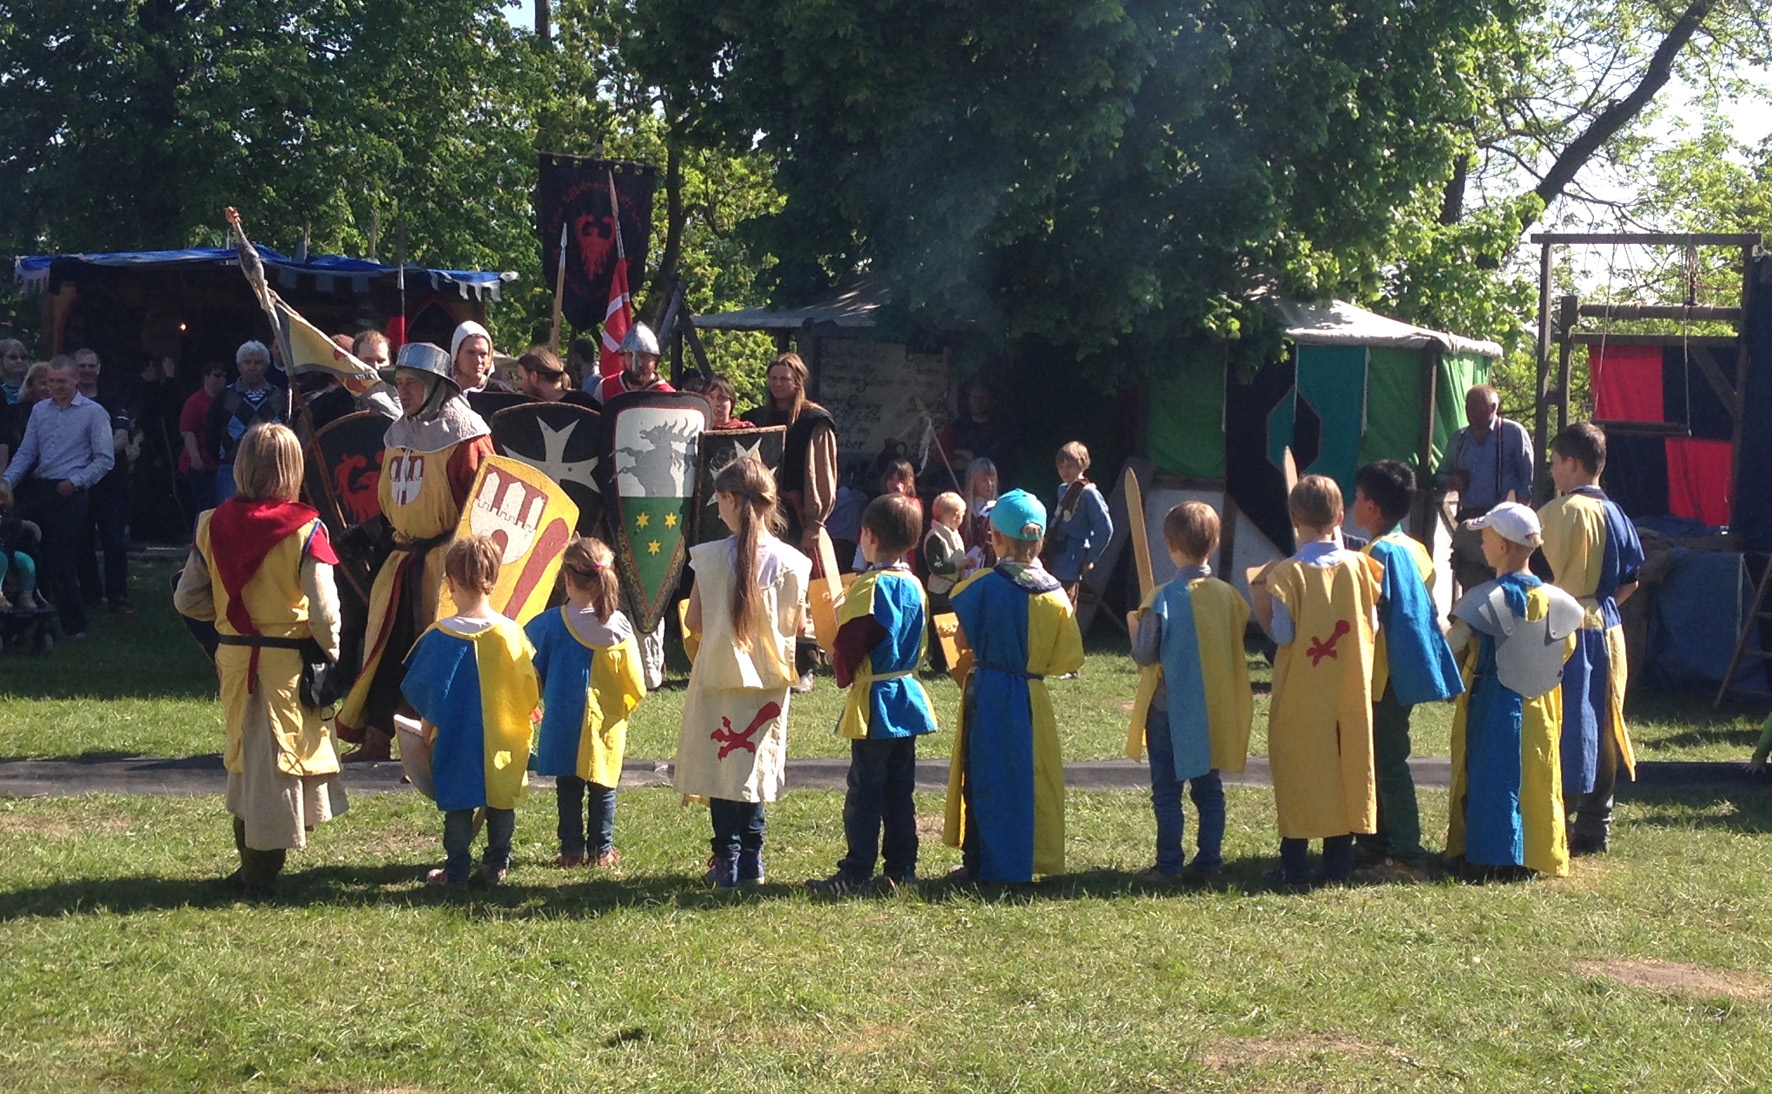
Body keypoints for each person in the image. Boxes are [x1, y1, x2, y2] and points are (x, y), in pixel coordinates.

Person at [172, 423, 348, 898]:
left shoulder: (211, 522)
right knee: (278, 768)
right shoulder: (307, 528)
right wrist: (331, 654)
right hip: (285, 664)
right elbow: (325, 609)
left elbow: (188, 599)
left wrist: (231, 624)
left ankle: (251, 867)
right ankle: (259, 876)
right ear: (293, 469)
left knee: (246, 763)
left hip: (235, 659)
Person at [335, 342, 494, 761]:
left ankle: (434, 743)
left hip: (446, 564)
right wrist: (372, 530)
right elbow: (397, 500)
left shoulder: (467, 436)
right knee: (385, 649)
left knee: (437, 656)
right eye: (399, 383)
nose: (402, 392)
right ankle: (376, 737)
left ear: (437, 386)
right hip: (401, 560)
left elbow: (484, 505)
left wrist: (467, 566)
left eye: (412, 384)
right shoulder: (399, 432)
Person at [674, 455, 811, 889]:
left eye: (718, 500)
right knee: (754, 766)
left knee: (722, 769)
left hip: (716, 674)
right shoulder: (794, 563)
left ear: (732, 499)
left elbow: (693, 621)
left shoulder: (710, 558)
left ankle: (727, 859)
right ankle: (753, 859)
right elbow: (798, 625)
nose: (716, 509)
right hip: (768, 681)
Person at [942, 489, 1084, 884]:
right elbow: (1067, 659)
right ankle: (1020, 858)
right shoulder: (1056, 596)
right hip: (1031, 697)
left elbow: (961, 635)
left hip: (987, 691)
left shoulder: (983, 585)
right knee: (1027, 776)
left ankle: (981, 862)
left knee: (983, 775)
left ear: (997, 538)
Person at [1250, 475, 1382, 888]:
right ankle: (1338, 862)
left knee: (1301, 771)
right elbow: (1372, 625)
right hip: (1348, 691)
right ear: (1341, 517)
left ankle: (1294, 865)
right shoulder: (1361, 567)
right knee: (1344, 770)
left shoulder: (1288, 575)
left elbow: (1286, 634)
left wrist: (1265, 612)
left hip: (1303, 694)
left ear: (1293, 520)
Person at [807, 494, 940, 896]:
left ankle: (856, 870)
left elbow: (854, 643)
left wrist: (837, 661)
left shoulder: (870, 588)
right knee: (901, 792)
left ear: (868, 535)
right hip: (907, 697)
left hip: (877, 702)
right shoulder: (916, 586)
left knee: (865, 791)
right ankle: (902, 868)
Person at [1443, 502, 1581, 879]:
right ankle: (1534, 854)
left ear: (1503, 546)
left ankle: (1488, 854)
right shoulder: (1558, 602)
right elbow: (1563, 652)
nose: (1482, 545)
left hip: (1491, 707)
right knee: (1537, 777)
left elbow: (1451, 646)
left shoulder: (1481, 600)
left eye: (1486, 537)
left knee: (1491, 776)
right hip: (1540, 709)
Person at [401, 534, 540, 887]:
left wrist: (426, 732)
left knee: (459, 808)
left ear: (450, 583)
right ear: (493, 579)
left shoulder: (438, 635)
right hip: (504, 739)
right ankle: (496, 864)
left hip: (457, 739)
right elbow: (527, 688)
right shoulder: (512, 633)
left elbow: (429, 695)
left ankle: (457, 871)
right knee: (501, 804)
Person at [1126, 501, 1252, 887]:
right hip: (1212, 706)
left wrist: (1140, 626)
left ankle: (1169, 866)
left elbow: (1145, 654)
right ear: (1213, 543)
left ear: (1169, 544)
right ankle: (1209, 863)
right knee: (1208, 788)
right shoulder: (1229, 596)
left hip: (1168, 711)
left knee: (1167, 790)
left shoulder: (1162, 599)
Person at [1349, 460, 1464, 873]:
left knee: (1387, 762)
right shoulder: (1413, 548)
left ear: (1373, 506)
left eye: (1359, 497)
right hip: (1400, 671)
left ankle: (1406, 851)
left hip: (1383, 674)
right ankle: (1375, 842)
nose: (1353, 503)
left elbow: (1368, 609)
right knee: (1379, 758)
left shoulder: (1377, 553)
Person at [1539, 422, 1643, 856]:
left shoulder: (1558, 513)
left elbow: (1534, 575)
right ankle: (1596, 824)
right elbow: (1632, 580)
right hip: (1608, 625)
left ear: (1572, 462)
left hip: (1564, 628)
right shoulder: (1617, 513)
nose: (1552, 470)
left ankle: (1556, 817)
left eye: (1554, 462)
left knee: (1561, 721)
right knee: (1603, 723)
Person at [527, 535, 647, 869]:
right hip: (605, 727)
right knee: (603, 787)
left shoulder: (549, 625)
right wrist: (620, 710)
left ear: (566, 579)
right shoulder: (620, 628)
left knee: (568, 788)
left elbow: (526, 670)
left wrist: (530, 702)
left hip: (564, 724)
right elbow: (636, 685)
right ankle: (601, 851)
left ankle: (570, 851)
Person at [2, 357, 112, 638]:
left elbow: (103, 459)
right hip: (41, 488)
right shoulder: (40, 411)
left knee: (61, 561)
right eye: (51, 381)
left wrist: (75, 482)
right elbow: (26, 453)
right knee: (22, 547)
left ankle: (75, 626)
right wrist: (6, 482)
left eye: (61, 381)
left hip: (70, 492)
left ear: (76, 380)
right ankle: (30, 618)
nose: (55, 387)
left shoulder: (93, 412)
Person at [1437, 384, 1535, 595]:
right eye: (1468, 407)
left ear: (1493, 407)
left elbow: (1528, 477)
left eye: (1478, 408)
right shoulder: (1459, 439)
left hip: (1504, 518)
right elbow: (1441, 474)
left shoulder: (1512, 433)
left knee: (1503, 580)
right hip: (1472, 518)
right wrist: (1451, 481)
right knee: (1471, 577)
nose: (1471, 413)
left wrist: (1519, 514)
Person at [740, 352, 836, 559]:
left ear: (797, 382)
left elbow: (822, 474)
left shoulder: (814, 421)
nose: (778, 384)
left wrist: (814, 524)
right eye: (773, 378)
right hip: (760, 512)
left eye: (784, 379)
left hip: (797, 515)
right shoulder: (754, 419)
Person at [72, 348, 133, 614]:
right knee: (81, 540)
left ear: (99, 368)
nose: (86, 370)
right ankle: (90, 595)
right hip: (77, 483)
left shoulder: (113, 399)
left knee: (114, 540)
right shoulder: (66, 401)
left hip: (111, 482)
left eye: (91, 365)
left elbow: (121, 437)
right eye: (81, 366)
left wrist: (96, 457)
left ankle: (117, 596)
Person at [206, 341, 287, 504]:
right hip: (232, 468)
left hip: (269, 469)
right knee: (230, 517)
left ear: (265, 366)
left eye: (257, 363)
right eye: (247, 362)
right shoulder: (224, 396)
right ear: (239, 366)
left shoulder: (280, 397)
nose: (252, 367)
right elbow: (211, 432)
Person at [1047, 441, 1112, 607]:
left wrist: (1090, 558)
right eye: (1061, 466)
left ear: (1082, 464)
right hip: (1055, 552)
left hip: (1072, 556)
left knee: (1065, 604)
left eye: (1069, 466)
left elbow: (1104, 529)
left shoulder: (1089, 493)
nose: (1064, 471)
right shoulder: (1062, 489)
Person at [940, 378, 1017, 486]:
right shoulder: (956, 427)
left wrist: (968, 454)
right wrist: (973, 462)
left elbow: (999, 459)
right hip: (959, 488)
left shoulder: (1002, 430)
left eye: (982, 397)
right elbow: (941, 456)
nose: (978, 401)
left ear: (992, 400)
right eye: (974, 397)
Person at [178, 362, 228, 518]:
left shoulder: (226, 400)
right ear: (206, 377)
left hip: (219, 463)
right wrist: (196, 458)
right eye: (216, 375)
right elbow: (187, 431)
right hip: (200, 464)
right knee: (205, 507)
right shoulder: (195, 401)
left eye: (223, 376)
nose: (220, 380)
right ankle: (198, 541)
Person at [594, 323, 675, 404]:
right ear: (623, 357)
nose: (637, 363)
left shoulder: (667, 395)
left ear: (654, 357)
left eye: (643, 356)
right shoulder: (605, 388)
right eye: (630, 355)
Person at [0, 482, 41, 610]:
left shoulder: (9, 514)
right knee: (2, 560)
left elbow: (16, 525)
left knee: (27, 562)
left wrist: (31, 527)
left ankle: (26, 595)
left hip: (8, 550)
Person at [449, 321, 514, 395]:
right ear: (457, 354)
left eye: (483, 354)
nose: (478, 360)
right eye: (471, 353)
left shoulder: (501, 394)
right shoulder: (443, 389)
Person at [350, 330, 402, 419]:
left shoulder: (405, 395)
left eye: (381, 361)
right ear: (354, 361)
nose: (376, 367)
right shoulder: (332, 402)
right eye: (368, 360)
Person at [961, 458, 1000, 570]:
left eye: (992, 480)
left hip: (990, 563)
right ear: (973, 482)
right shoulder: (963, 507)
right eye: (984, 480)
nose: (990, 484)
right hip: (967, 563)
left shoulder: (997, 507)